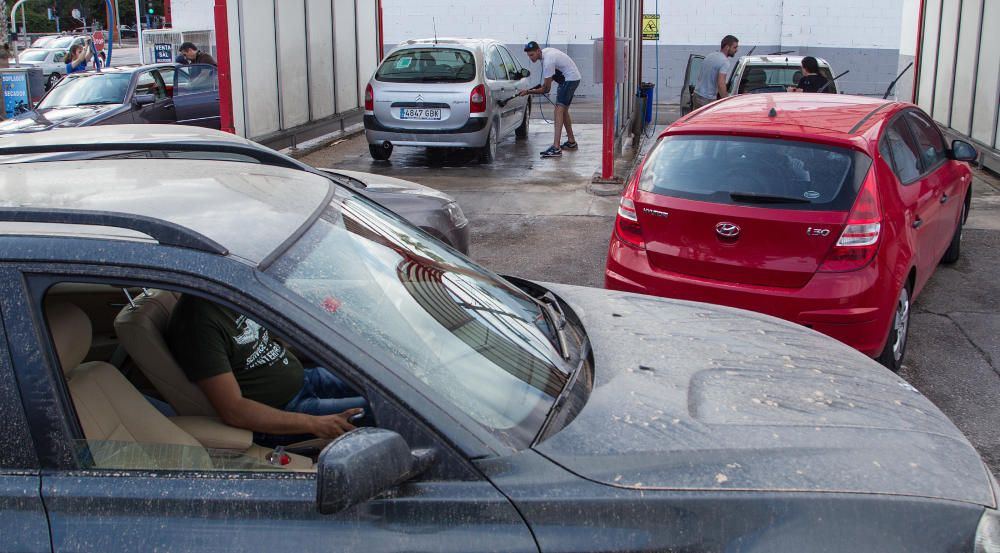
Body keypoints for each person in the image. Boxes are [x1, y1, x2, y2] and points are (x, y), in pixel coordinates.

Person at [167, 295, 365, 443]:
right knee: (381, 408)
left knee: (379, 385)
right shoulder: (197, 322)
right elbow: (233, 409)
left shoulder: (229, 293)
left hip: (308, 378)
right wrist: (315, 424)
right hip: (288, 410)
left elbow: (272, 336)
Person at [517, 41, 582, 158]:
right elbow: (550, 78)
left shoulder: (548, 61)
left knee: (558, 110)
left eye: (532, 55)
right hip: (572, 78)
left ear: (538, 51)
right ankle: (571, 142)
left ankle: (556, 148)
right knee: (563, 111)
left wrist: (528, 91)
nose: (530, 58)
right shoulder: (545, 54)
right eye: (528, 55)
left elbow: (546, 89)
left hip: (569, 79)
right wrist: (539, 87)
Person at [693, 35, 739, 110]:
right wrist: (727, 101)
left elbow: (701, 76)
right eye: (735, 47)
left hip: (696, 95)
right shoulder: (725, 62)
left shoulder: (710, 56)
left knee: (696, 121)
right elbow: (721, 84)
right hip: (707, 99)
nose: (736, 50)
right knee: (709, 122)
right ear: (727, 47)